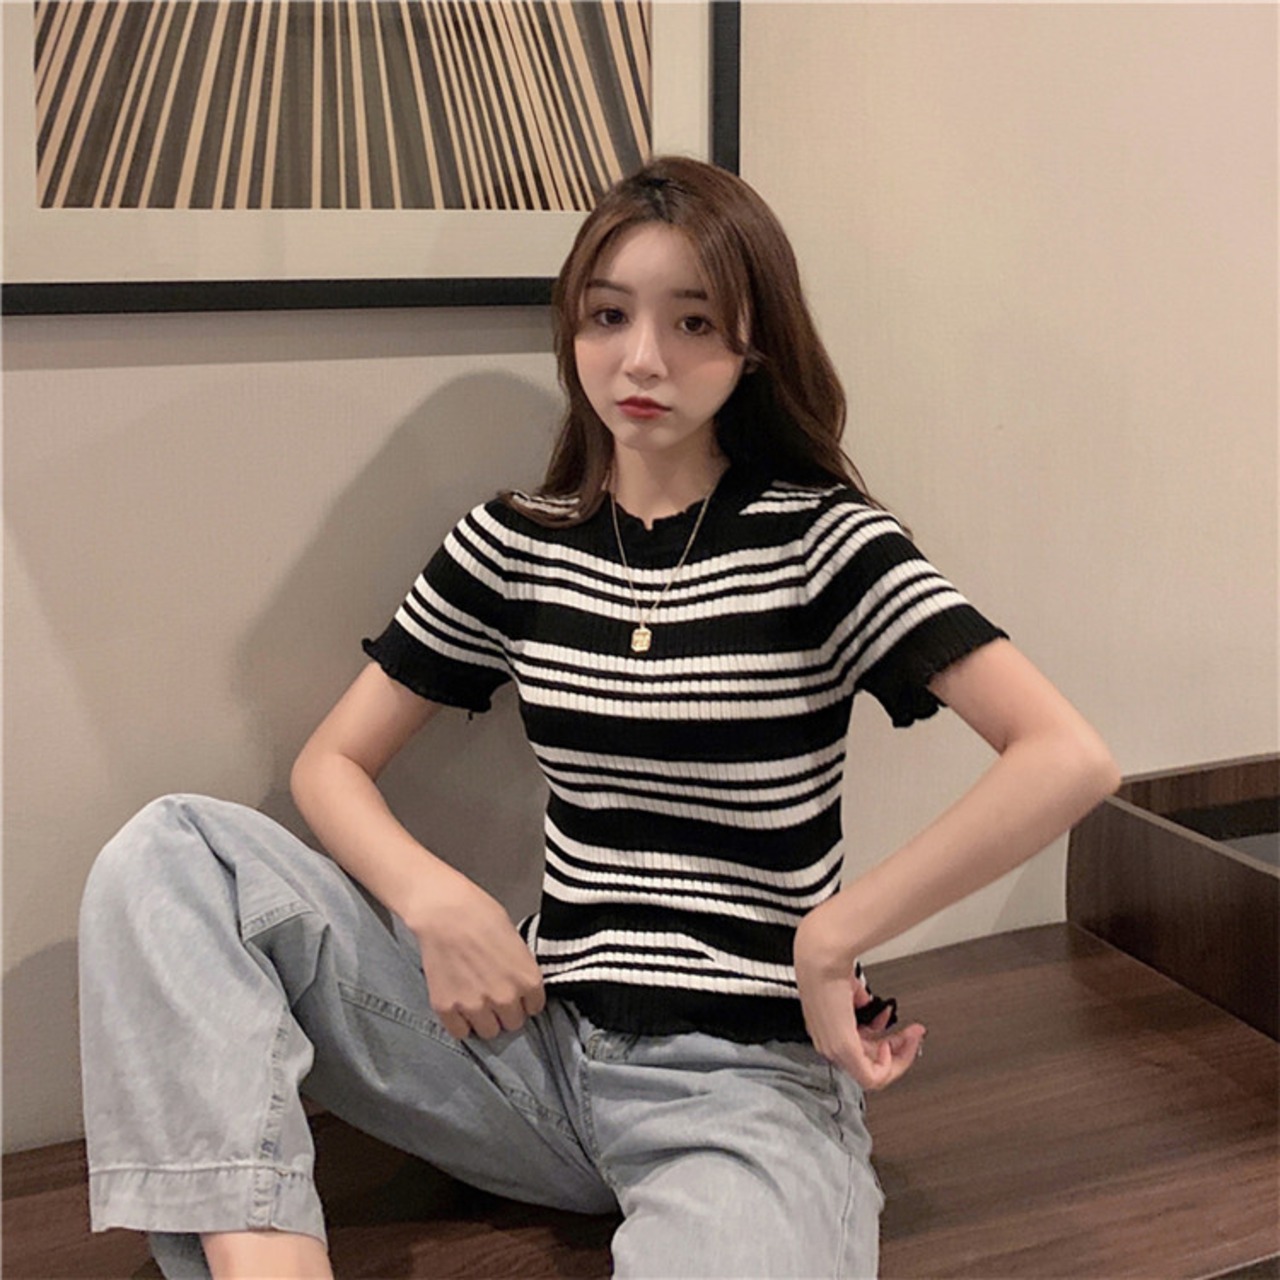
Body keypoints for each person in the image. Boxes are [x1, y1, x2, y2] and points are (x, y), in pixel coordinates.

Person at [78, 155, 1120, 1280]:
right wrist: (434, 900)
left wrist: (830, 938)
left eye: (693, 322)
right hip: (524, 1046)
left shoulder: (822, 543)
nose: (642, 359)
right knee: (172, 855)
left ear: (754, 343)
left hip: (740, 1087)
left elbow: (1064, 756)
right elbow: (331, 761)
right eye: (609, 315)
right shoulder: (514, 542)